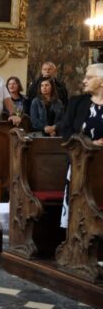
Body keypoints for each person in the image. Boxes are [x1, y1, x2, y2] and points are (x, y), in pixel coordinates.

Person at [59, 63, 103, 228]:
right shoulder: (77, 102)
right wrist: (89, 143)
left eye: (89, 77)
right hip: (80, 162)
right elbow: (66, 130)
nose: (84, 81)